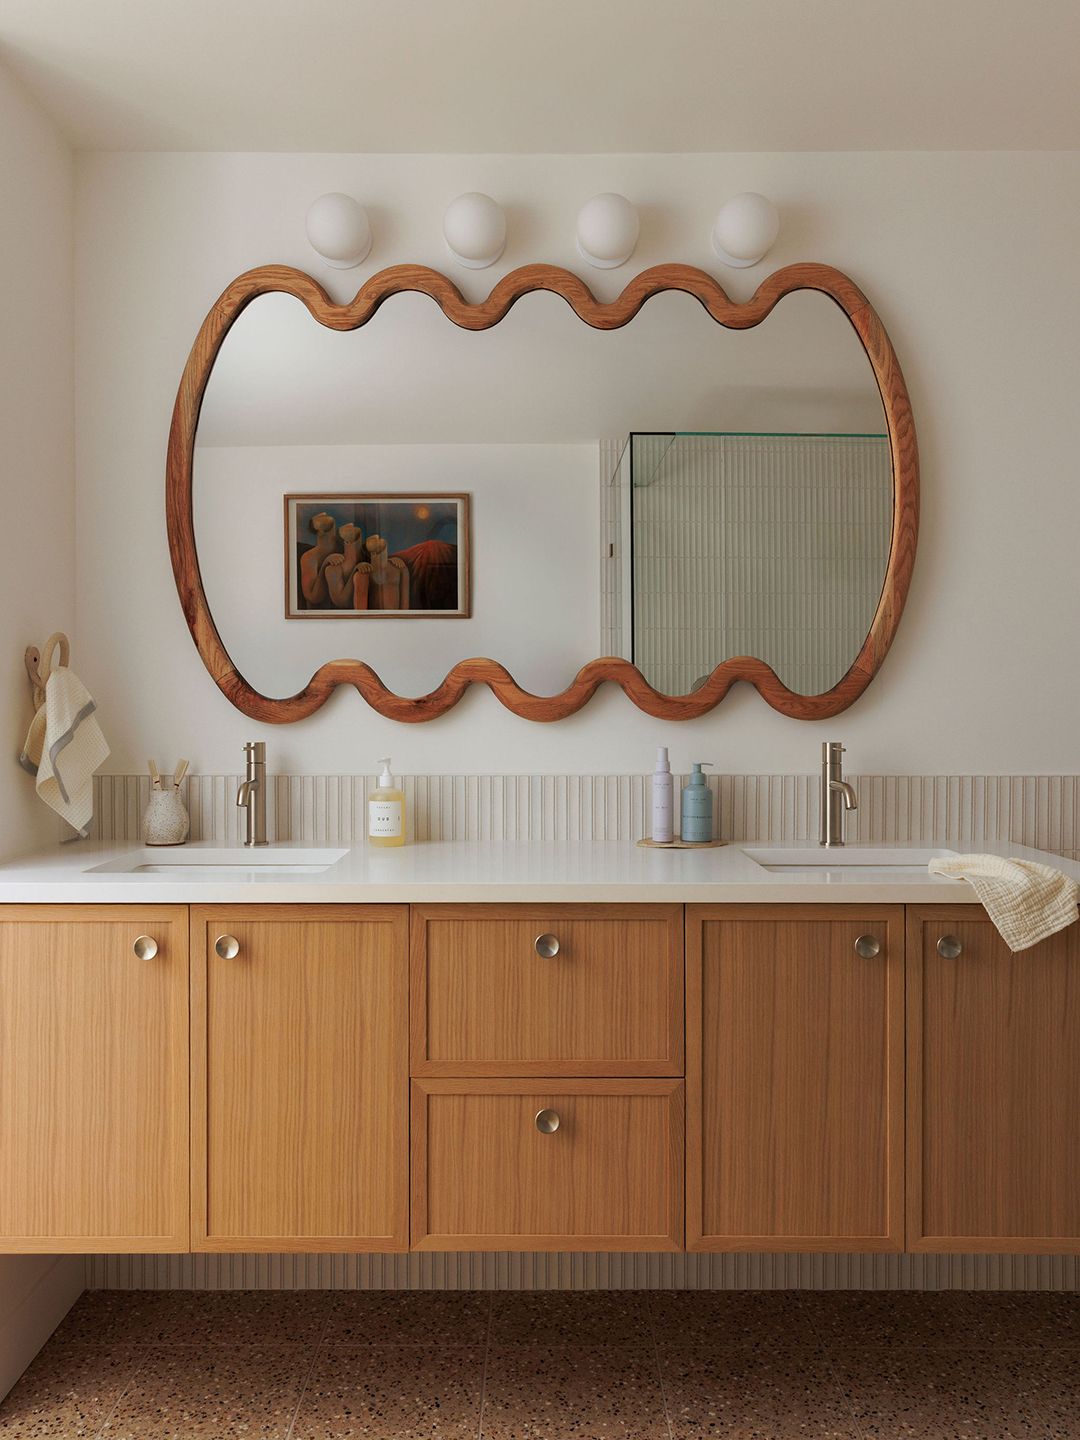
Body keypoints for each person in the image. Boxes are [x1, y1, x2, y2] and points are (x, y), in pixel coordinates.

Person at [354, 534, 410, 610]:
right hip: (374, 620)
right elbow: (360, 610)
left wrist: (403, 620)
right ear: (372, 553)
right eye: (372, 539)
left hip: (396, 619)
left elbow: (405, 602)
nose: (376, 536)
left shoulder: (400, 567)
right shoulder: (364, 573)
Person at [299, 512, 338, 606]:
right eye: (317, 518)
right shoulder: (309, 557)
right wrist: (325, 563)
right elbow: (312, 597)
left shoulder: (344, 547)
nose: (323, 513)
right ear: (320, 531)